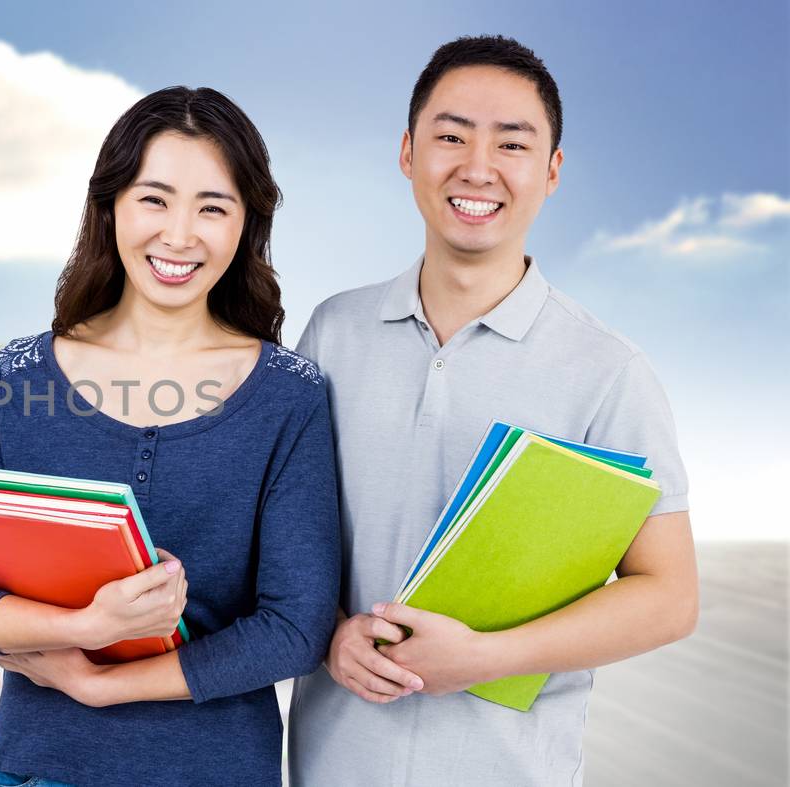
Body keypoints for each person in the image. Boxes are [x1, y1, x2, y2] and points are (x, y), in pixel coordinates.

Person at [0, 86, 340, 787]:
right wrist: (80, 628)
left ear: (247, 224)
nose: (180, 234)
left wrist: (105, 683)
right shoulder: (19, 376)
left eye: (213, 207)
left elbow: (296, 626)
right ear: (110, 207)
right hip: (39, 768)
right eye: (154, 198)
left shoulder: (291, 394)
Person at [287, 35, 697, 785]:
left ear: (552, 171)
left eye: (512, 143)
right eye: (450, 136)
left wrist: (486, 657)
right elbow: (287, 538)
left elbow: (669, 597)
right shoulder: (331, 332)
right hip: (333, 765)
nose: (476, 168)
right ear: (408, 151)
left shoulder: (608, 371)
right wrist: (327, 636)